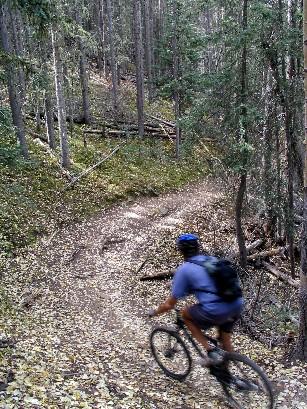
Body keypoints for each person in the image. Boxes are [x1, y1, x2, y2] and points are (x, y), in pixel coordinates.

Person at [148, 233, 244, 366]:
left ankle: (211, 352)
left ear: (180, 250)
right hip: (236, 303)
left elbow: (169, 304)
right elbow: (205, 283)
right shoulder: (210, 260)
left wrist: (154, 312)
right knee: (225, 340)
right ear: (198, 247)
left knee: (185, 315)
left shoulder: (184, 269)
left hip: (216, 309)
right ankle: (236, 378)